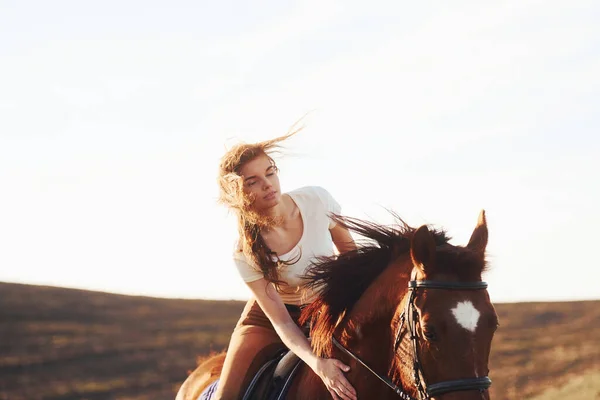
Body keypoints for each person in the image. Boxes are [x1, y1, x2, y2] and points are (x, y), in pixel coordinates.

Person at [214, 129, 358, 400]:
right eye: (253, 182)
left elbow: (351, 254)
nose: (268, 184)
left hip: (327, 305)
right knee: (226, 396)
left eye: (270, 172)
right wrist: (319, 365)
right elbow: (281, 321)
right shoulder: (244, 250)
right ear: (240, 195)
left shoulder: (317, 200)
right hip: (275, 317)